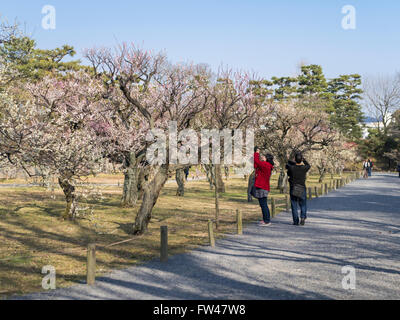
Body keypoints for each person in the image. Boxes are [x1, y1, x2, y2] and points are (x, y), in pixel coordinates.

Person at [286, 153, 311, 226]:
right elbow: (308, 165)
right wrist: (304, 160)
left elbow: (288, 171)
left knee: (294, 205)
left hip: (293, 187)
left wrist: (292, 162)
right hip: (302, 187)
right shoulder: (304, 168)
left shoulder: (292, 168)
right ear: (301, 160)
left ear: (295, 159)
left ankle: (295, 221)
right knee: (303, 204)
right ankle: (302, 217)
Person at [251, 147, 274, 226]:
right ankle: (265, 219)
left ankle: (267, 220)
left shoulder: (266, 165)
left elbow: (257, 161)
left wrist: (257, 152)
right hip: (262, 186)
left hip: (262, 187)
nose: (262, 157)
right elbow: (255, 164)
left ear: (267, 159)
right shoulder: (266, 165)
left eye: (264, 156)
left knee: (263, 204)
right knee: (263, 204)